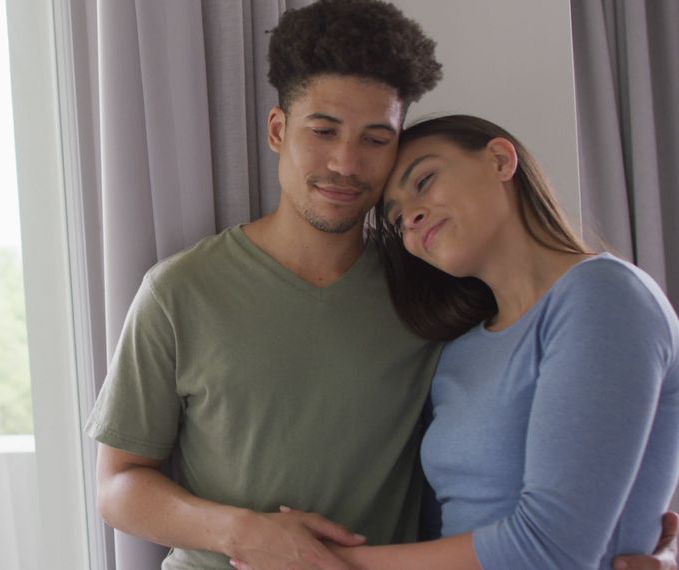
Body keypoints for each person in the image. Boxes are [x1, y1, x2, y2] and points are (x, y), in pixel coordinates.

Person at [85, 1, 679, 569]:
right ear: (278, 129)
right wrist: (245, 534)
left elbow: (567, 453)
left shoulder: (432, 295)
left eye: (375, 139)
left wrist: (645, 533)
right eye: (323, 131)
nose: (346, 163)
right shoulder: (178, 291)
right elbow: (117, 485)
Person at [288, 114, 679, 569]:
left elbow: (552, 552)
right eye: (397, 218)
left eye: (425, 181)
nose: (411, 217)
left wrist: (320, 562)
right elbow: (438, 535)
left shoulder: (604, 294)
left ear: (500, 160)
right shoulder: (457, 354)